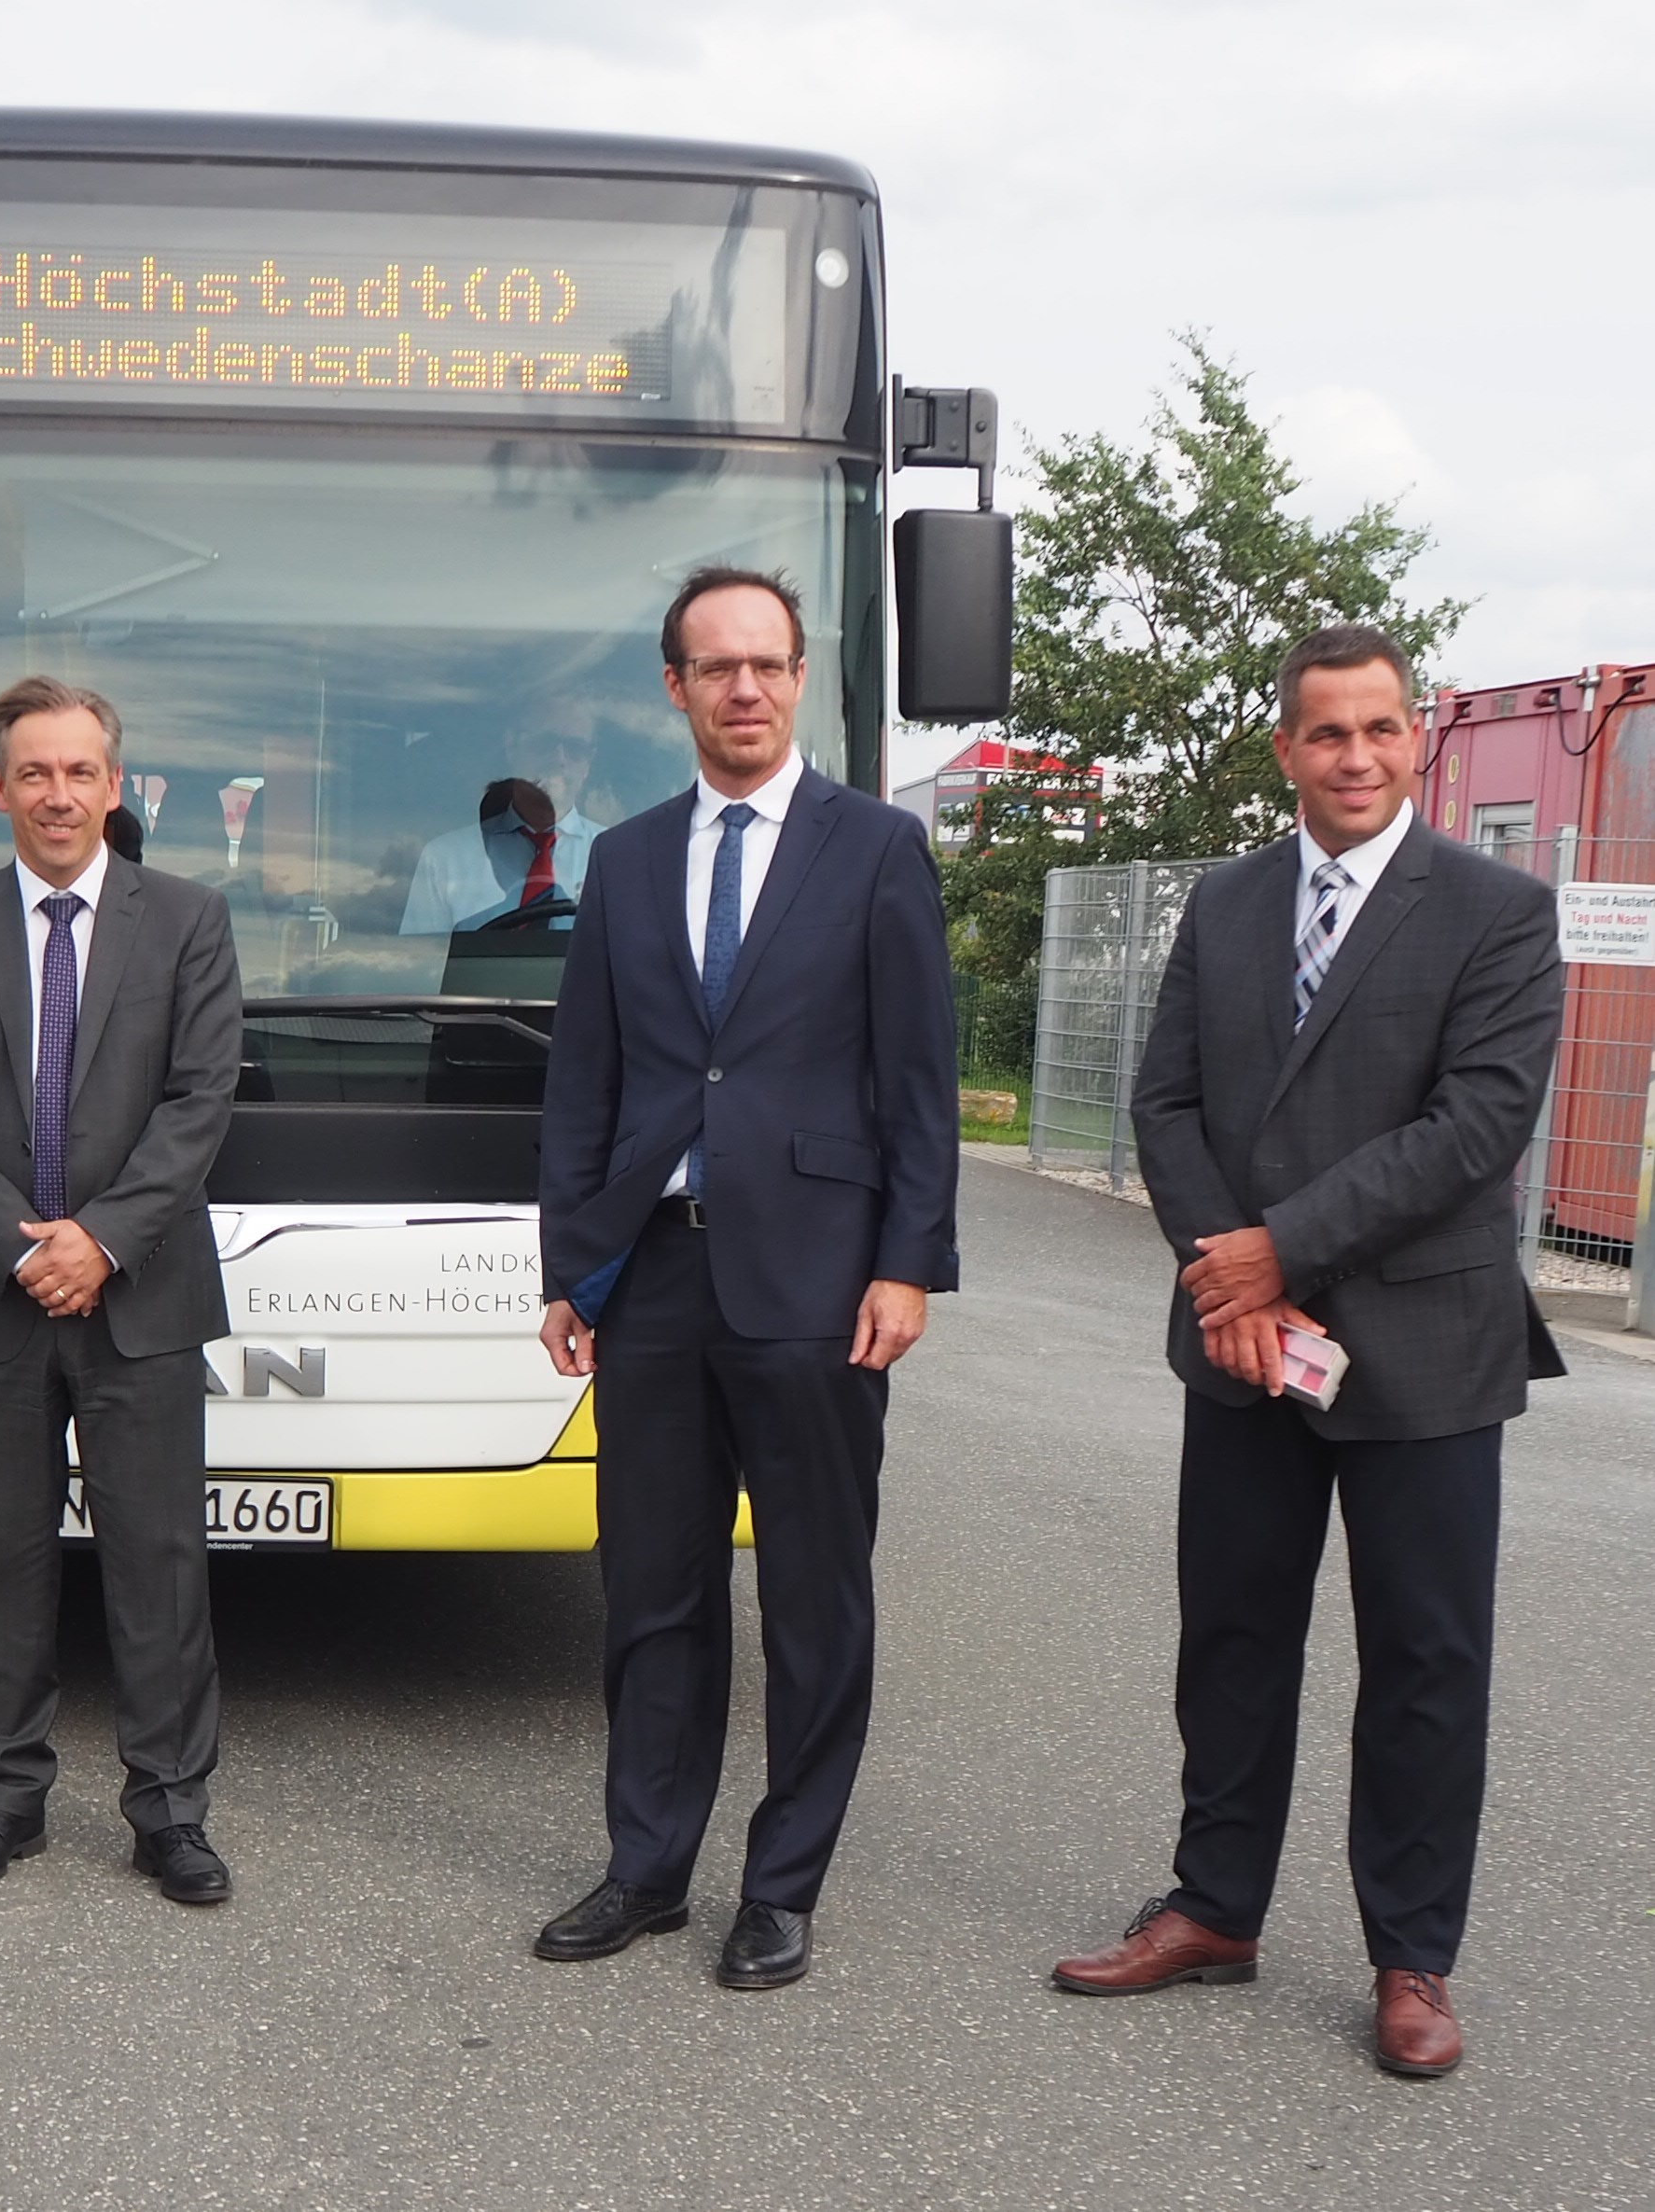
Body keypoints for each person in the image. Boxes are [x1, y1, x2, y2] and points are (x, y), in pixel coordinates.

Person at [1049, 625, 1565, 2080]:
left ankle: (1414, 1953)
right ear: (1284, 750)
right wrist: (1233, 1285)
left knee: (1424, 1659)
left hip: (1428, 1351)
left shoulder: (1498, 912)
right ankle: (1215, 1904)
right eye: (1325, 733)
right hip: (1243, 1349)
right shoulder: (1222, 903)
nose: (1354, 756)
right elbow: (1167, 1104)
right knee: (1229, 1636)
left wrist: (1279, 1250)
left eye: (1380, 730)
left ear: (1421, 743)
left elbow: (1474, 1127)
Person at [530, 566, 957, 1989]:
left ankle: (781, 1885)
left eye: (768, 663)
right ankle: (647, 1867)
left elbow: (920, 1081)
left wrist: (908, 1264)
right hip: (651, 1282)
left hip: (820, 1287)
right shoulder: (632, 858)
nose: (746, 688)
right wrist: (570, 1267)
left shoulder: (878, 847)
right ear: (676, 688)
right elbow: (586, 1078)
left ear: (799, 674)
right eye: (716, 667)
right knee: (650, 1593)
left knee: (816, 1600)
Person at [0, 675, 246, 1905]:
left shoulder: (188, 921)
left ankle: (169, 1811)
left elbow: (201, 1103)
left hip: (141, 1296)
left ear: (114, 783)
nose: (56, 792)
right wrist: (23, 1243)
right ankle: (4, 1797)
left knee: (158, 1562)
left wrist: (100, 1239)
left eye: (78, 770)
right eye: (32, 771)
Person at [401, 702, 606, 934]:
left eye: (575, 749)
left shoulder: (617, 857)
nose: (559, 759)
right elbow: (418, 963)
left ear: (589, 762)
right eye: (545, 743)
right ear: (512, 746)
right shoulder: (443, 860)